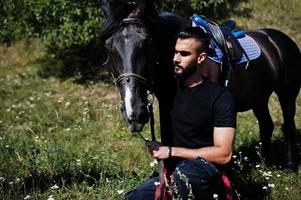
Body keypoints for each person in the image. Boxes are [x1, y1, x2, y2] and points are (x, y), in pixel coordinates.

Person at [125, 27, 236, 200]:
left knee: (186, 177)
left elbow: (224, 154)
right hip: (171, 173)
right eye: (175, 52)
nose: (176, 59)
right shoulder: (167, 89)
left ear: (201, 58)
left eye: (184, 54)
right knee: (134, 198)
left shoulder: (220, 97)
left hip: (204, 171)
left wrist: (170, 151)